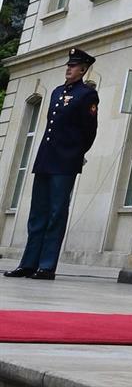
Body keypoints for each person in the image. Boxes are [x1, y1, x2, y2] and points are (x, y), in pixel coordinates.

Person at [4, 48, 99, 280]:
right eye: (68, 65)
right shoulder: (57, 92)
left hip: (65, 162)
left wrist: (76, 153)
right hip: (46, 159)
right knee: (38, 213)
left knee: (56, 213)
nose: (68, 68)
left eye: (74, 65)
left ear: (83, 69)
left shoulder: (87, 95)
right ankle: (28, 263)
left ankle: (46, 265)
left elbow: (90, 131)